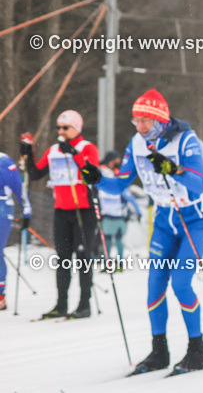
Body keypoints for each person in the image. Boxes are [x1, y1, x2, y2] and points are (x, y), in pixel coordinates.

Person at [81, 89, 203, 375]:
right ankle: (159, 351)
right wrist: (98, 179)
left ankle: (196, 350)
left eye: (145, 121)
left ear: (161, 119)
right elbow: (119, 185)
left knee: (180, 282)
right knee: (155, 285)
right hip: (165, 217)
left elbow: (201, 185)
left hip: (195, 217)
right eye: (136, 121)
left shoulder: (186, 140)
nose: (140, 127)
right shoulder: (136, 143)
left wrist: (174, 169)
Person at [20, 110, 99, 319]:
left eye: (66, 127)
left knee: (83, 259)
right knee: (63, 259)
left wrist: (74, 154)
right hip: (62, 211)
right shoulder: (54, 150)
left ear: (77, 128)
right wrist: (28, 154)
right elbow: (36, 174)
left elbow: (92, 174)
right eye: (59, 127)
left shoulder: (87, 147)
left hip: (83, 211)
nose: (61, 131)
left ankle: (84, 305)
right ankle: (61, 304)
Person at [1, 150, 32, 310]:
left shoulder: (4, 161)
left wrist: (26, 211)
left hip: (2, 210)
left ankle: (0, 293)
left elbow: (18, 188)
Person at [96, 151, 142, 259]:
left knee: (107, 239)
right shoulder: (113, 175)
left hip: (107, 213)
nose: (119, 163)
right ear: (112, 161)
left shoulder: (100, 172)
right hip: (115, 213)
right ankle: (116, 261)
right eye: (117, 161)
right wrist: (138, 211)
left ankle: (107, 261)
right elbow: (128, 195)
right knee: (116, 239)